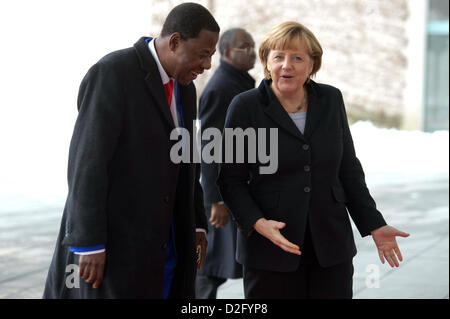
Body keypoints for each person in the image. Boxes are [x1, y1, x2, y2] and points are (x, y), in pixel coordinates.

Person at [217, 21, 410, 299]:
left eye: (298, 58)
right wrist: (258, 223)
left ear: (312, 65)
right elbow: (231, 180)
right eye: (279, 56)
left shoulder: (331, 99)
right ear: (266, 61)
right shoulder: (245, 107)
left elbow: (348, 169)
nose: (287, 65)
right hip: (271, 249)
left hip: (330, 248)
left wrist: (374, 224)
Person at [43, 3, 220, 299]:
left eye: (211, 56)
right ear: (175, 42)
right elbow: (88, 163)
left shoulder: (186, 89)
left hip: (169, 241)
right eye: (203, 54)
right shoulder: (113, 73)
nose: (207, 66)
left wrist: (198, 224)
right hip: (118, 244)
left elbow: (188, 160)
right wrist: (89, 243)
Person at [196, 28, 256, 299]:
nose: (253, 51)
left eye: (253, 46)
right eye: (246, 47)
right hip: (224, 194)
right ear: (228, 52)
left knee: (231, 259)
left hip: (240, 188)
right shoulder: (221, 88)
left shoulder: (241, 82)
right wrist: (215, 200)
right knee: (212, 266)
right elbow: (209, 147)